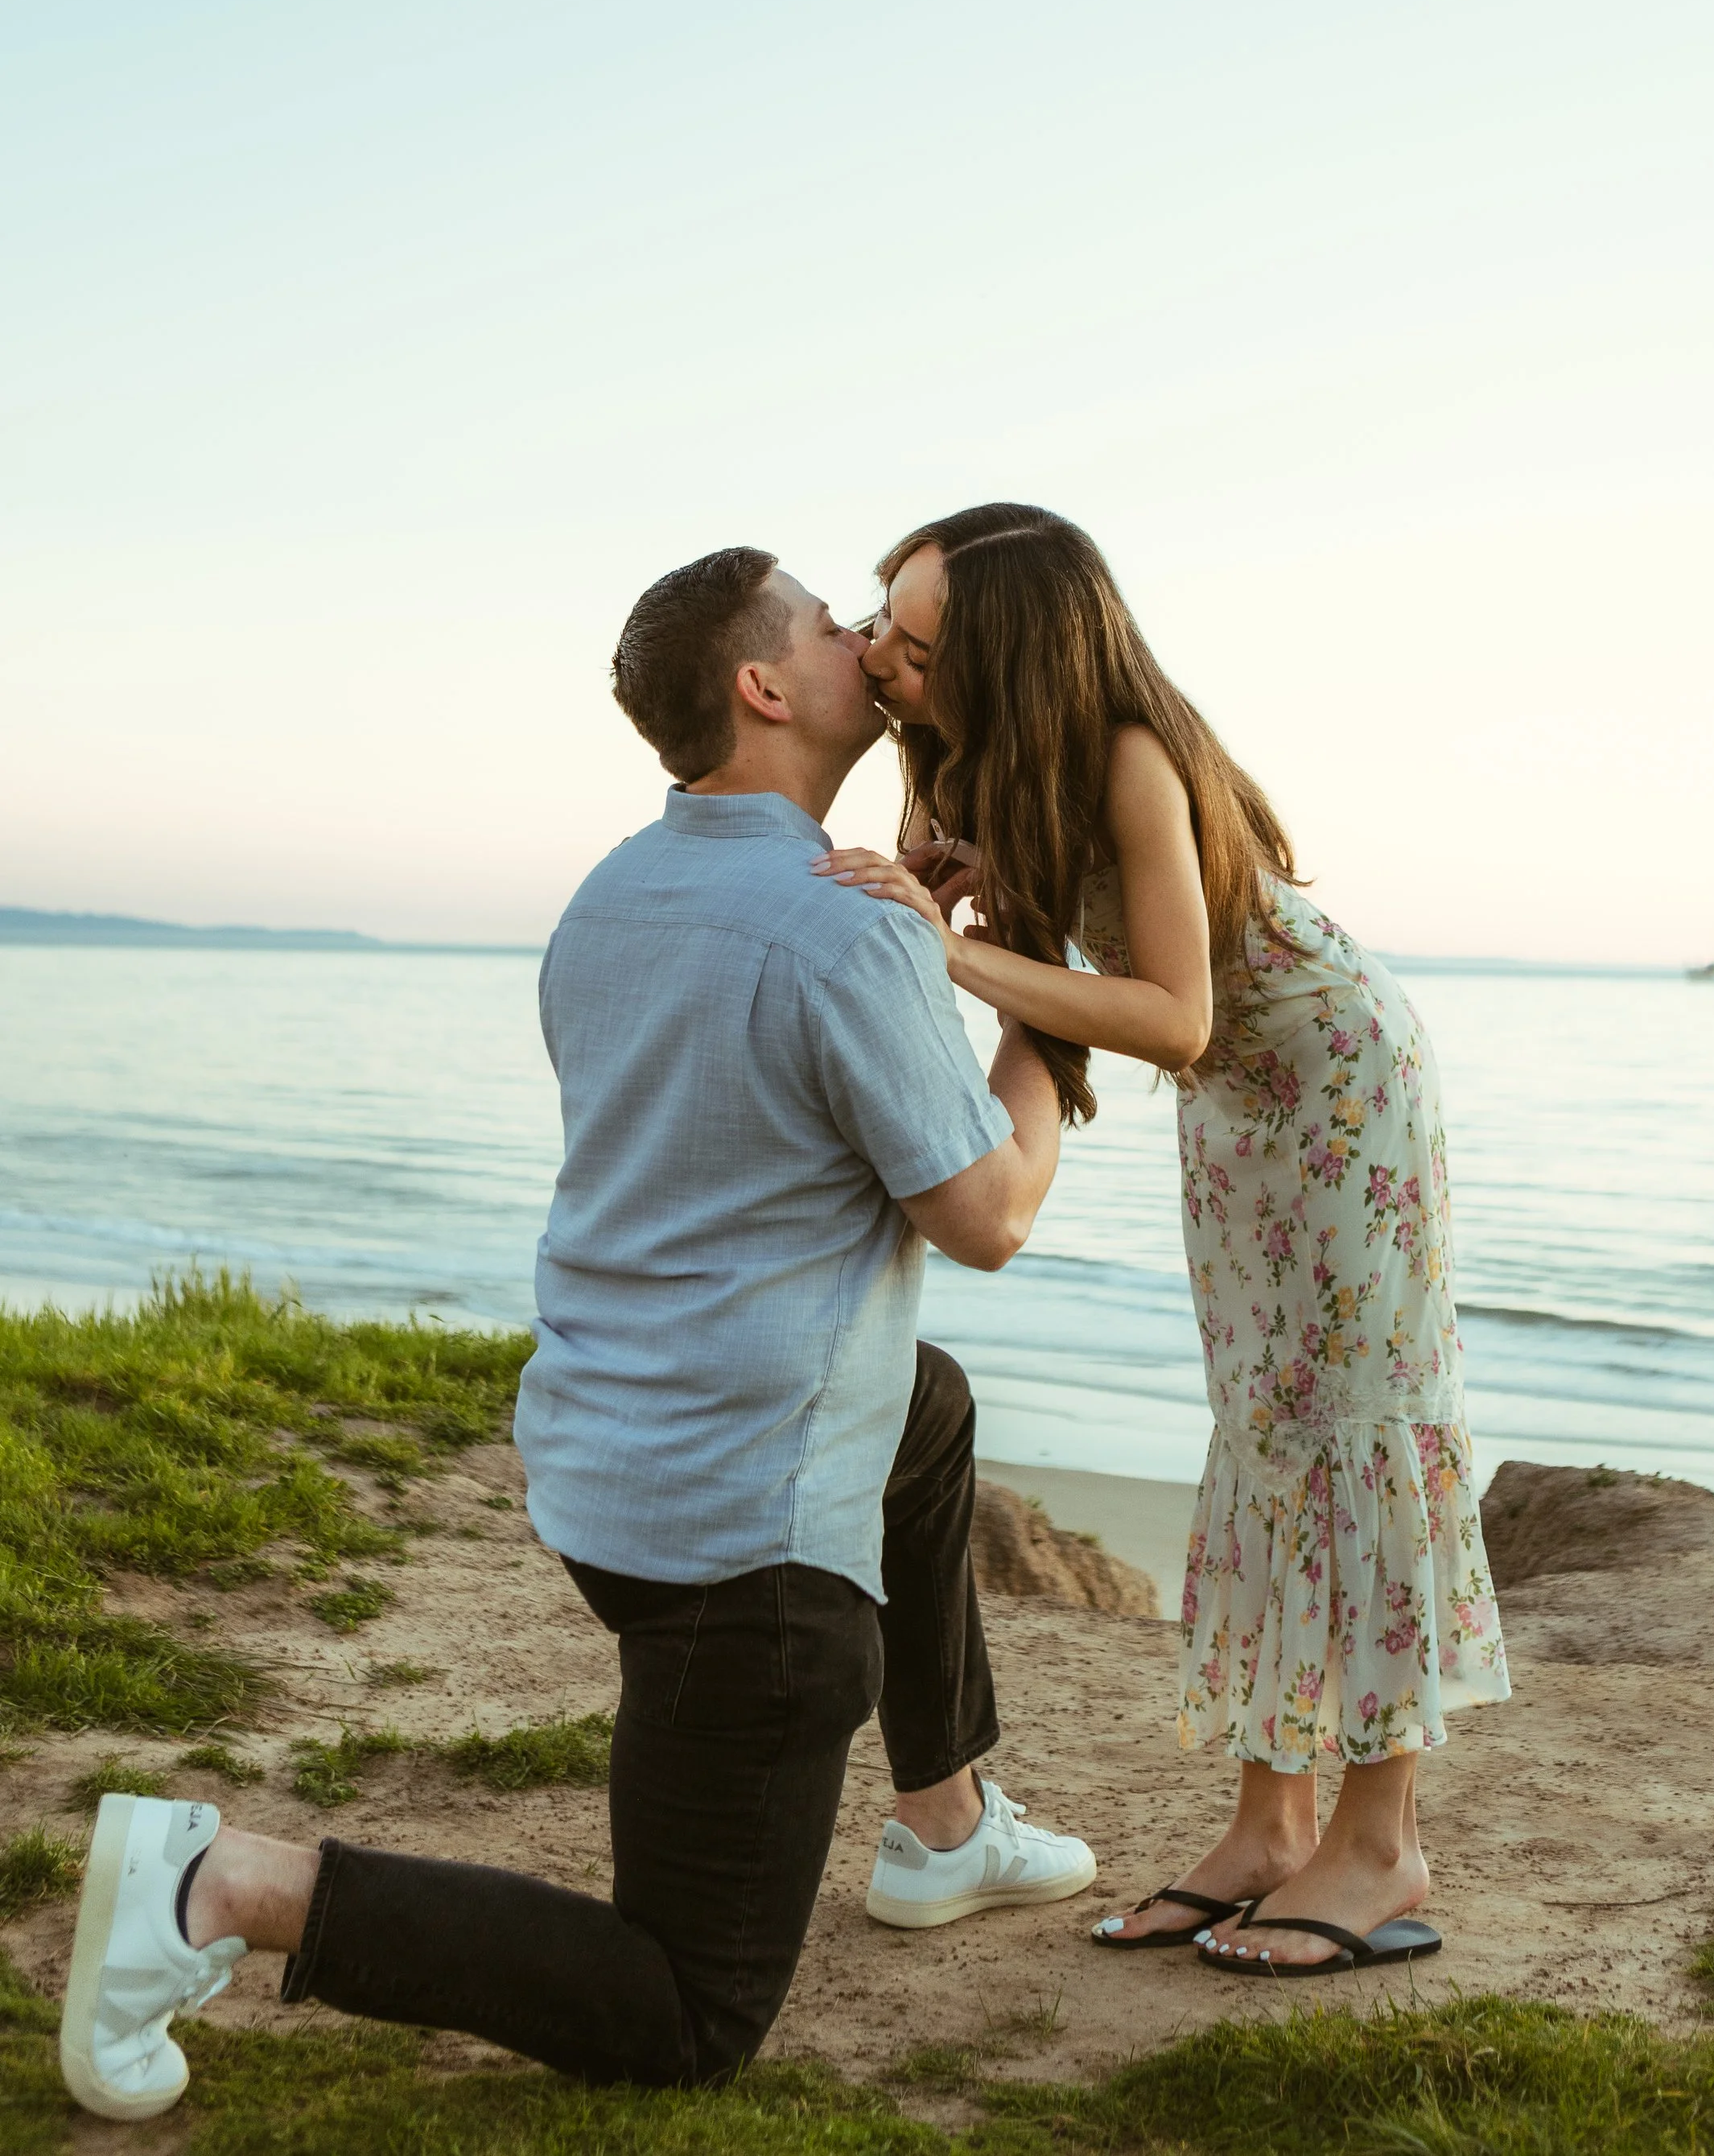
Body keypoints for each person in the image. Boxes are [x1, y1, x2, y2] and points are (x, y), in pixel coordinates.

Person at [58, 546, 1094, 2123]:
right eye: (831, 623)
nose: (865, 642)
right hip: (743, 1548)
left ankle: (943, 1825)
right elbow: (989, 1218)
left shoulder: (613, 893)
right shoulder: (845, 933)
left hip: (607, 1462)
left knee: (925, 1406)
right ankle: (218, 1887)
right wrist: (1037, 1005)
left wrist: (915, 950)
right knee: (682, 2012)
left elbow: (743, 1138)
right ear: (761, 687)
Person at [820, 503, 1510, 1980]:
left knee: (1355, 1432)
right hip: (1239, 1111)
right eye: (880, 618)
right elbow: (1093, 996)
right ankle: (1271, 1825)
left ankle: (1380, 1838)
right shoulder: (977, 762)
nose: (879, 653)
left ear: (1010, 653)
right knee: (1263, 1432)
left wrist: (953, 944)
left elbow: (1180, 1013)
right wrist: (971, 905)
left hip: (1334, 1084)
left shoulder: (1130, 754)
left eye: (912, 639)